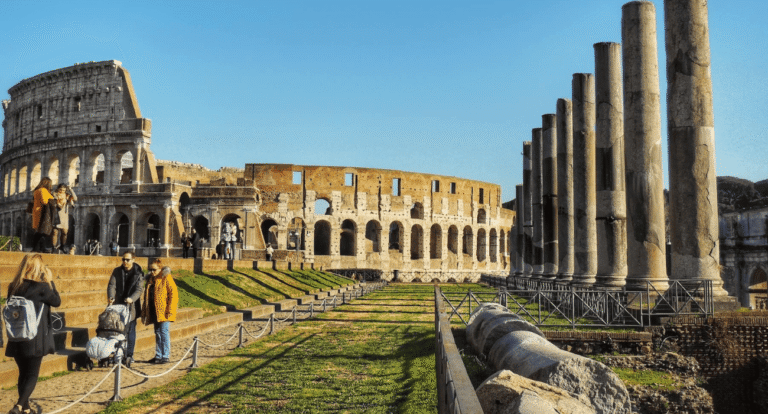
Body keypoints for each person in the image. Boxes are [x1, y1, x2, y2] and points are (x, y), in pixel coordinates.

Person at [5, 254, 61, 414]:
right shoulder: (42, 288)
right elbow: (57, 301)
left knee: (23, 374)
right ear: (38, 268)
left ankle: (26, 409)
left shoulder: (14, 286)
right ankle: (19, 406)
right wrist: (50, 281)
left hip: (16, 336)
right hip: (34, 338)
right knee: (31, 375)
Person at [107, 252, 144, 366]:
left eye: (127, 260)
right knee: (118, 329)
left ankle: (129, 354)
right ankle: (118, 352)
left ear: (133, 259)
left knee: (130, 330)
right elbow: (111, 285)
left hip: (131, 306)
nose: (125, 262)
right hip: (118, 305)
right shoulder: (117, 271)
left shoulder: (138, 272)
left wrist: (131, 299)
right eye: (123, 259)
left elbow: (139, 289)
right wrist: (111, 297)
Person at [141, 259, 178, 364]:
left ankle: (165, 355)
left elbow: (173, 294)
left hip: (164, 310)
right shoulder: (150, 279)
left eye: (154, 269)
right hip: (154, 310)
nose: (152, 272)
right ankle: (158, 355)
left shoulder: (166, 277)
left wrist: (170, 310)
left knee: (164, 332)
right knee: (157, 333)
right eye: (150, 269)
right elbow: (147, 296)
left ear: (160, 269)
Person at [31, 177, 57, 253]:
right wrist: (52, 197)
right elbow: (45, 201)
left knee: (40, 231)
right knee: (41, 231)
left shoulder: (36, 190)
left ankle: (40, 248)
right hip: (42, 213)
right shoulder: (43, 190)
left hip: (37, 211)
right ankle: (37, 248)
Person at [52, 184, 76, 254]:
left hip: (64, 216)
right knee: (55, 232)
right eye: (61, 190)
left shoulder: (67, 195)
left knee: (64, 232)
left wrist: (71, 189)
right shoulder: (54, 194)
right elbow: (54, 202)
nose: (62, 191)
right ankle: (53, 247)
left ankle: (62, 246)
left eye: (64, 190)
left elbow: (75, 198)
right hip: (57, 214)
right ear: (58, 189)